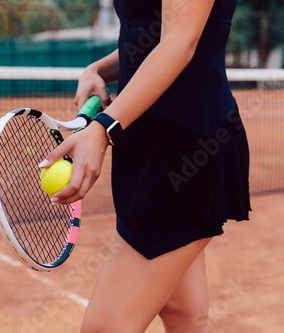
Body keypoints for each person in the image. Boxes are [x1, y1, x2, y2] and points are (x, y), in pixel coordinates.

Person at [38, 0, 251, 331]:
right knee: (184, 316)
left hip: (184, 150)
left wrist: (103, 127)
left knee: (105, 329)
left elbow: (181, 39)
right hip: (143, 142)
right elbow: (145, 33)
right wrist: (96, 69)